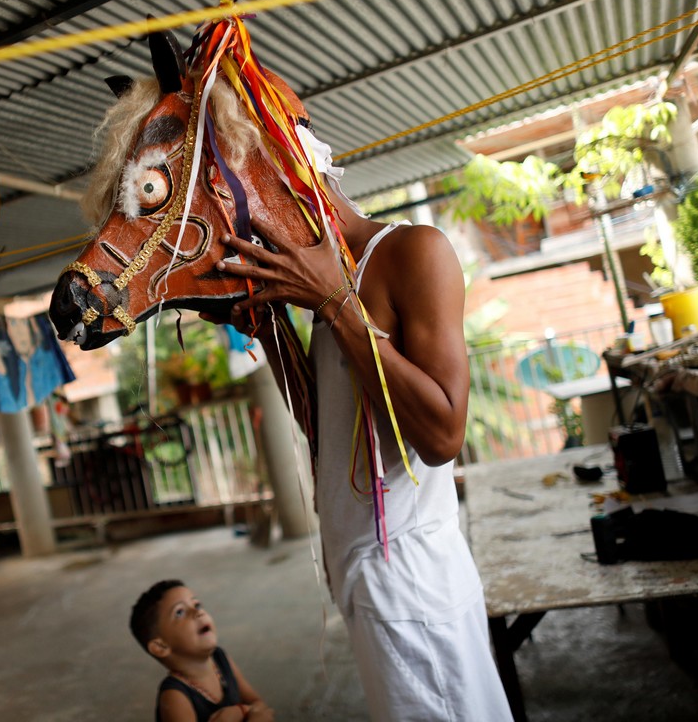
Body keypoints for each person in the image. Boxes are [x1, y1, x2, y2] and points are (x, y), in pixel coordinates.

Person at [210, 185, 513, 721]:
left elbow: (442, 437)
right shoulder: (328, 284)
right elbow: (327, 429)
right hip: (364, 574)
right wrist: (269, 328)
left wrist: (334, 302)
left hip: (409, 579)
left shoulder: (413, 250)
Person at [130, 580, 275, 722]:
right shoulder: (175, 696)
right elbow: (259, 712)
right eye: (179, 612)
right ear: (161, 646)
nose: (197, 611)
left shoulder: (219, 657)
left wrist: (240, 711)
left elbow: (258, 703)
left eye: (197, 604)